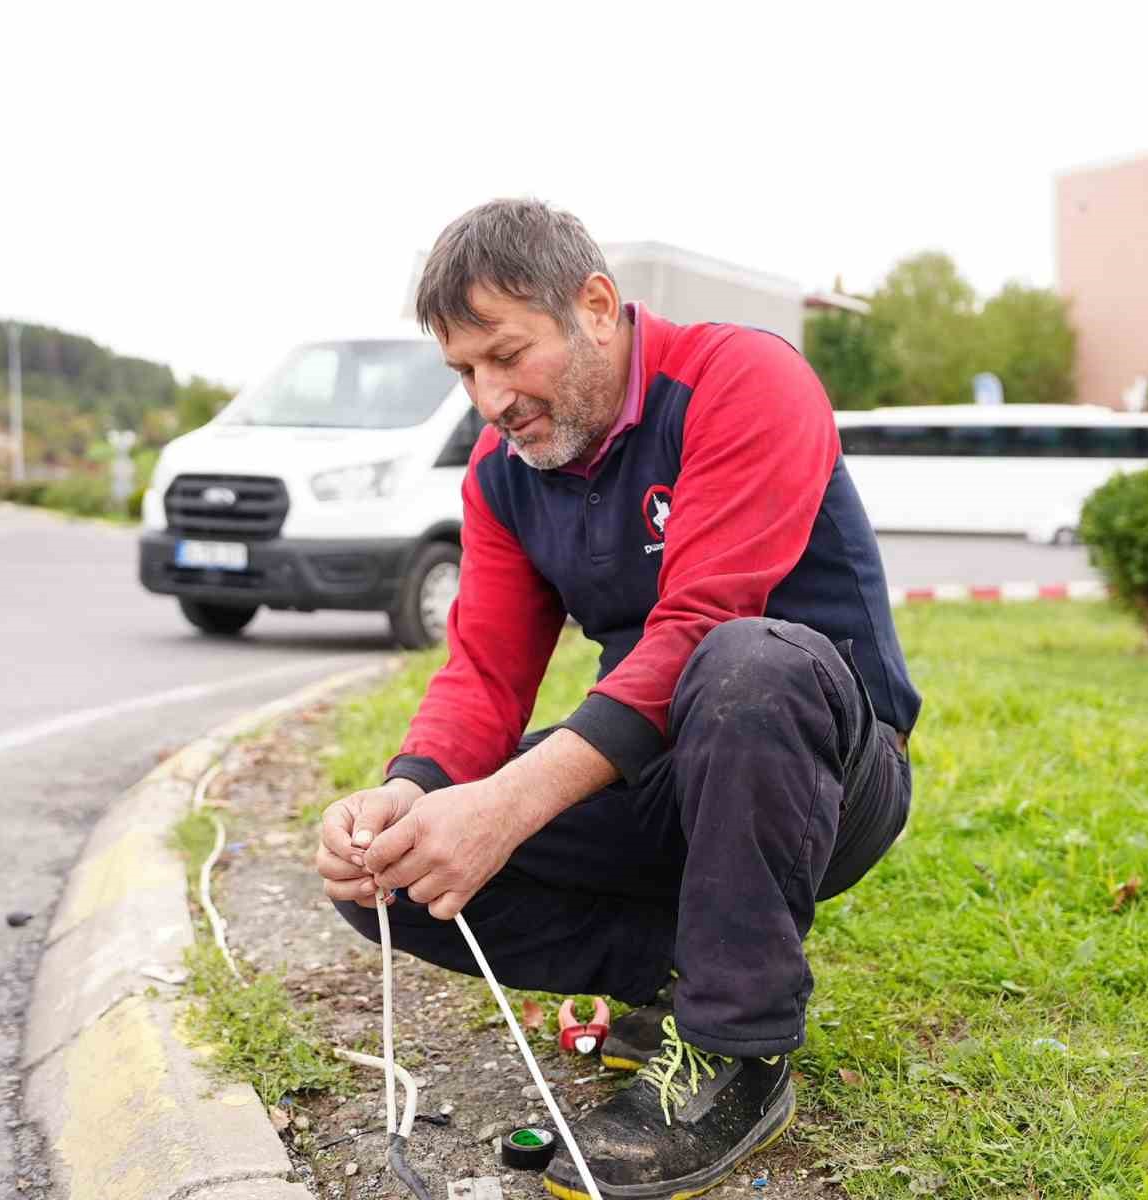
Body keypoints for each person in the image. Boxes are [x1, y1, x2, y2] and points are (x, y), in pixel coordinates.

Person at [316, 198, 920, 1199]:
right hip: (659, 767)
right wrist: (412, 792)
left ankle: (737, 1052)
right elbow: (482, 671)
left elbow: (697, 627)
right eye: (464, 371)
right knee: (385, 881)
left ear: (595, 306)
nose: (490, 398)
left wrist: (504, 805)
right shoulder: (500, 474)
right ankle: (694, 971)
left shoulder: (742, 379)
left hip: (820, 769)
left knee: (742, 664)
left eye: (508, 354)